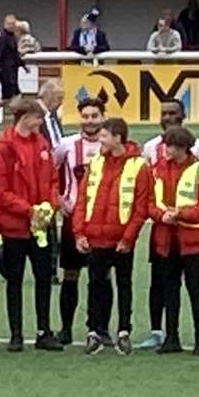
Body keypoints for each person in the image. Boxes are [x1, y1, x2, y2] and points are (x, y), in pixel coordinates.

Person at [135, 100, 199, 348]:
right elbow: (149, 200)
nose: (165, 151)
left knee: (196, 289)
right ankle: (171, 337)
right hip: (165, 238)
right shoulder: (157, 170)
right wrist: (161, 215)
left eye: (170, 147)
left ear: (181, 148)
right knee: (170, 288)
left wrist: (180, 214)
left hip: (190, 240)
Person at [72, 116, 151, 354]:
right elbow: (82, 201)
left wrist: (128, 238)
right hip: (95, 237)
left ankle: (124, 331)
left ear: (118, 138)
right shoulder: (95, 163)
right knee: (95, 284)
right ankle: (95, 331)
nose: (100, 140)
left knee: (124, 284)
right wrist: (79, 233)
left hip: (120, 241)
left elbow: (140, 207)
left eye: (104, 136)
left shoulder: (139, 166)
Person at [0, 96, 60, 351]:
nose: (42, 122)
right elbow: (0, 192)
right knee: (15, 280)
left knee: (44, 278)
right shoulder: (3, 149)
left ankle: (44, 330)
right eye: (39, 117)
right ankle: (16, 333)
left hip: (41, 226)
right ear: (26, 118)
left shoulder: (42, 144)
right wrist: (28, 210)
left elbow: (52, 179)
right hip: (15, 227)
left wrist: (50, 206)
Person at [56, 97, 109, 344]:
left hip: (102, 221)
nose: (90, 121)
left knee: (102, 276)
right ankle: (65, 329)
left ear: (103, 117)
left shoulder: (109, 145)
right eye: (85, 116)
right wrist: (58, 199)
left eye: (94, 116)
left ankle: (100, 328)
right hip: (72, 221)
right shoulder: (66, 145)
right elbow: (49, 174)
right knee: (71, 274)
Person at [0, 14, 23, 112]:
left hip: (12, 70)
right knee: (10, 96)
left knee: (11, 96)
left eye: (13, 24)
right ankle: (14, 111)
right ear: (5, 24)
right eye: (9, 24)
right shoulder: (2, 38)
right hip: (5, 72)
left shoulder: (13, 37)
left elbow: (15, 54)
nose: (11, 26)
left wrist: (23, 65)